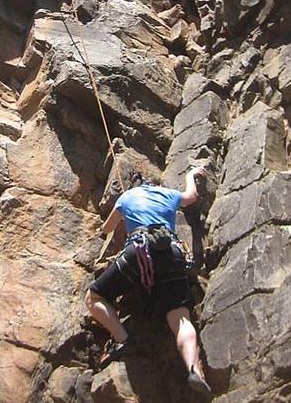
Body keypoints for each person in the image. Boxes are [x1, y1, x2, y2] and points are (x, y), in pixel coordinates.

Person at [85, 167, 212, 398]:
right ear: (153, 184)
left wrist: (120, 216)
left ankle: (122, 340)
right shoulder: (168, 194)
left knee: (94, 298)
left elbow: (107, 229)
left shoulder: (127, 197)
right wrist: (190, 174)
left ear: (135, 185)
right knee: (180, 317)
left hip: (139, 251)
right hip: (171, 251)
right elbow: (191, 196)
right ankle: (193, 369)